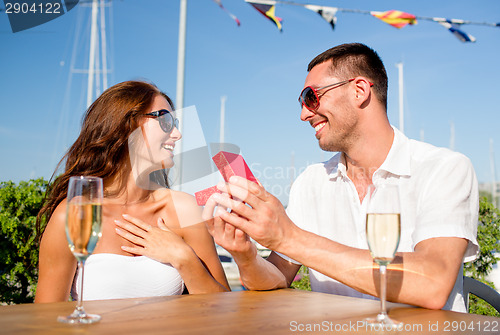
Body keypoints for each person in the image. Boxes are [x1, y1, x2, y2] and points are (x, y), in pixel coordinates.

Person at [203, 43, 478, 312]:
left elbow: (432, 283)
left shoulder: (445, 169)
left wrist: (288, 237)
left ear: (359, 90)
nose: (303, 114)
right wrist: (245, 255)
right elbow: (275, 278)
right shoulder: (311, 182)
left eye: (311, 96)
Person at [35, 80, 229, 303]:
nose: (177, 134)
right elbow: (46, 318)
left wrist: (184, 258)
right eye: (165, 121)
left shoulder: (184, 209)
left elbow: (223, 307)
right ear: (127, 124)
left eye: (175, 123)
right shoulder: (74, 213)